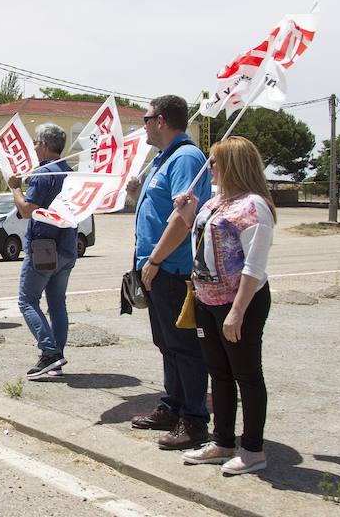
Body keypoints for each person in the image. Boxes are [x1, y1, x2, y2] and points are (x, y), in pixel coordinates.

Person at [173, 136, 275, 475]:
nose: (210, 167)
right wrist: (189, 215)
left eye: (214, 162)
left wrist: (237, 312)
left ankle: (253, 450)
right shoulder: (217, 201)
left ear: (232, 163)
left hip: (239, 302)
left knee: (246, 375)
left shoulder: (253, 206)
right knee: (219, 373)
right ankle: (223, 441)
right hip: (207, 299)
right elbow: (205, 240)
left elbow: (253, 266)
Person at [125, 94, 212, 450]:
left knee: (185, 346)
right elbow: (161, 211)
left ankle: (194, 420)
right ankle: (173, 406)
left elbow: (182, 219)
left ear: (160, 121)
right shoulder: (165, 159)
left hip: (171, 270)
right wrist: (135, 195)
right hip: (155, 269)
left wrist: (156, 261)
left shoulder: (186, 158)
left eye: (146, 119)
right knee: (167, 343)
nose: (143, 125)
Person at [7, 124, 76, 379]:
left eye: (36, 143)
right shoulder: (69, 172)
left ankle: (50, 353)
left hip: (44, 247)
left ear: (45, 145)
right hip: (68, 244)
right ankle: (56, 354)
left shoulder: (43, 173)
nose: (34, 147)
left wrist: (15, 187)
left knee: (27, 300)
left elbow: (27, 210)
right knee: (57, 303)